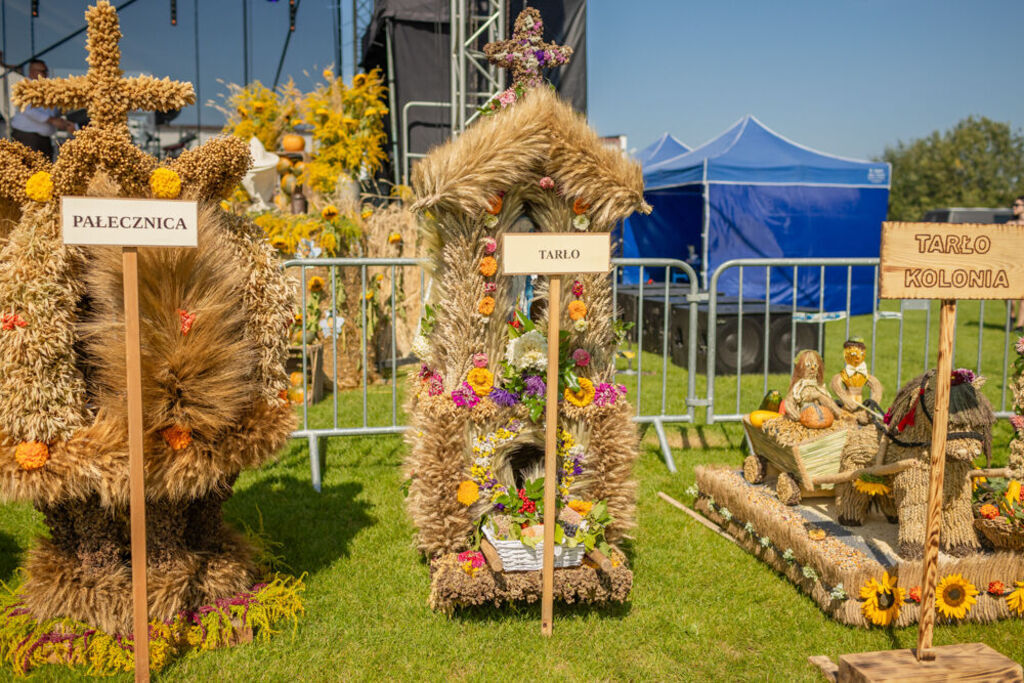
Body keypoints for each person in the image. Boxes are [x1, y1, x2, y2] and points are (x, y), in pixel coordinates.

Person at [9, 59, 75, 159]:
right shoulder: (24, 86)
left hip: (43, 138)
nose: (46, 74)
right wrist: (52, 120)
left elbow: (52, 110)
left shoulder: (45, 87)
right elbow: (27, 110)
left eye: (46, 71)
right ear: (32, 71)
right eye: (43, 71)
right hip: (27, 137)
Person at [1010, 196, 1024, 329]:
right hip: (1011, 263)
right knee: (1009, 296)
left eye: (1017, 205)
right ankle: (1011, 315)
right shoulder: (1010, 224)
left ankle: (1019, 325)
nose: (1013, 207)